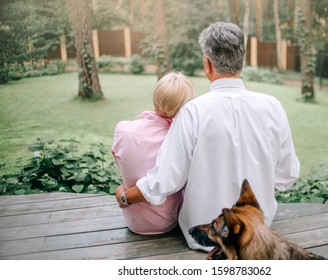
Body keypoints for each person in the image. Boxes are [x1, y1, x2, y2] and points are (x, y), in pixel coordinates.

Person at [115, 22, 300, 251]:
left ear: (207, 64)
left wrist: (125, 197)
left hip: (205, 237)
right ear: (241, 61)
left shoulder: (193, 112)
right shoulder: (273, 107)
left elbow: (165, 181)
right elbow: (287, 177)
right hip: (256, 233)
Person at [112, 72, 195, 235]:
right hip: (168, 222)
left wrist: (124, 189)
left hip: (134, 223)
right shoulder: (180, 140)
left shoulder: (123, 130)